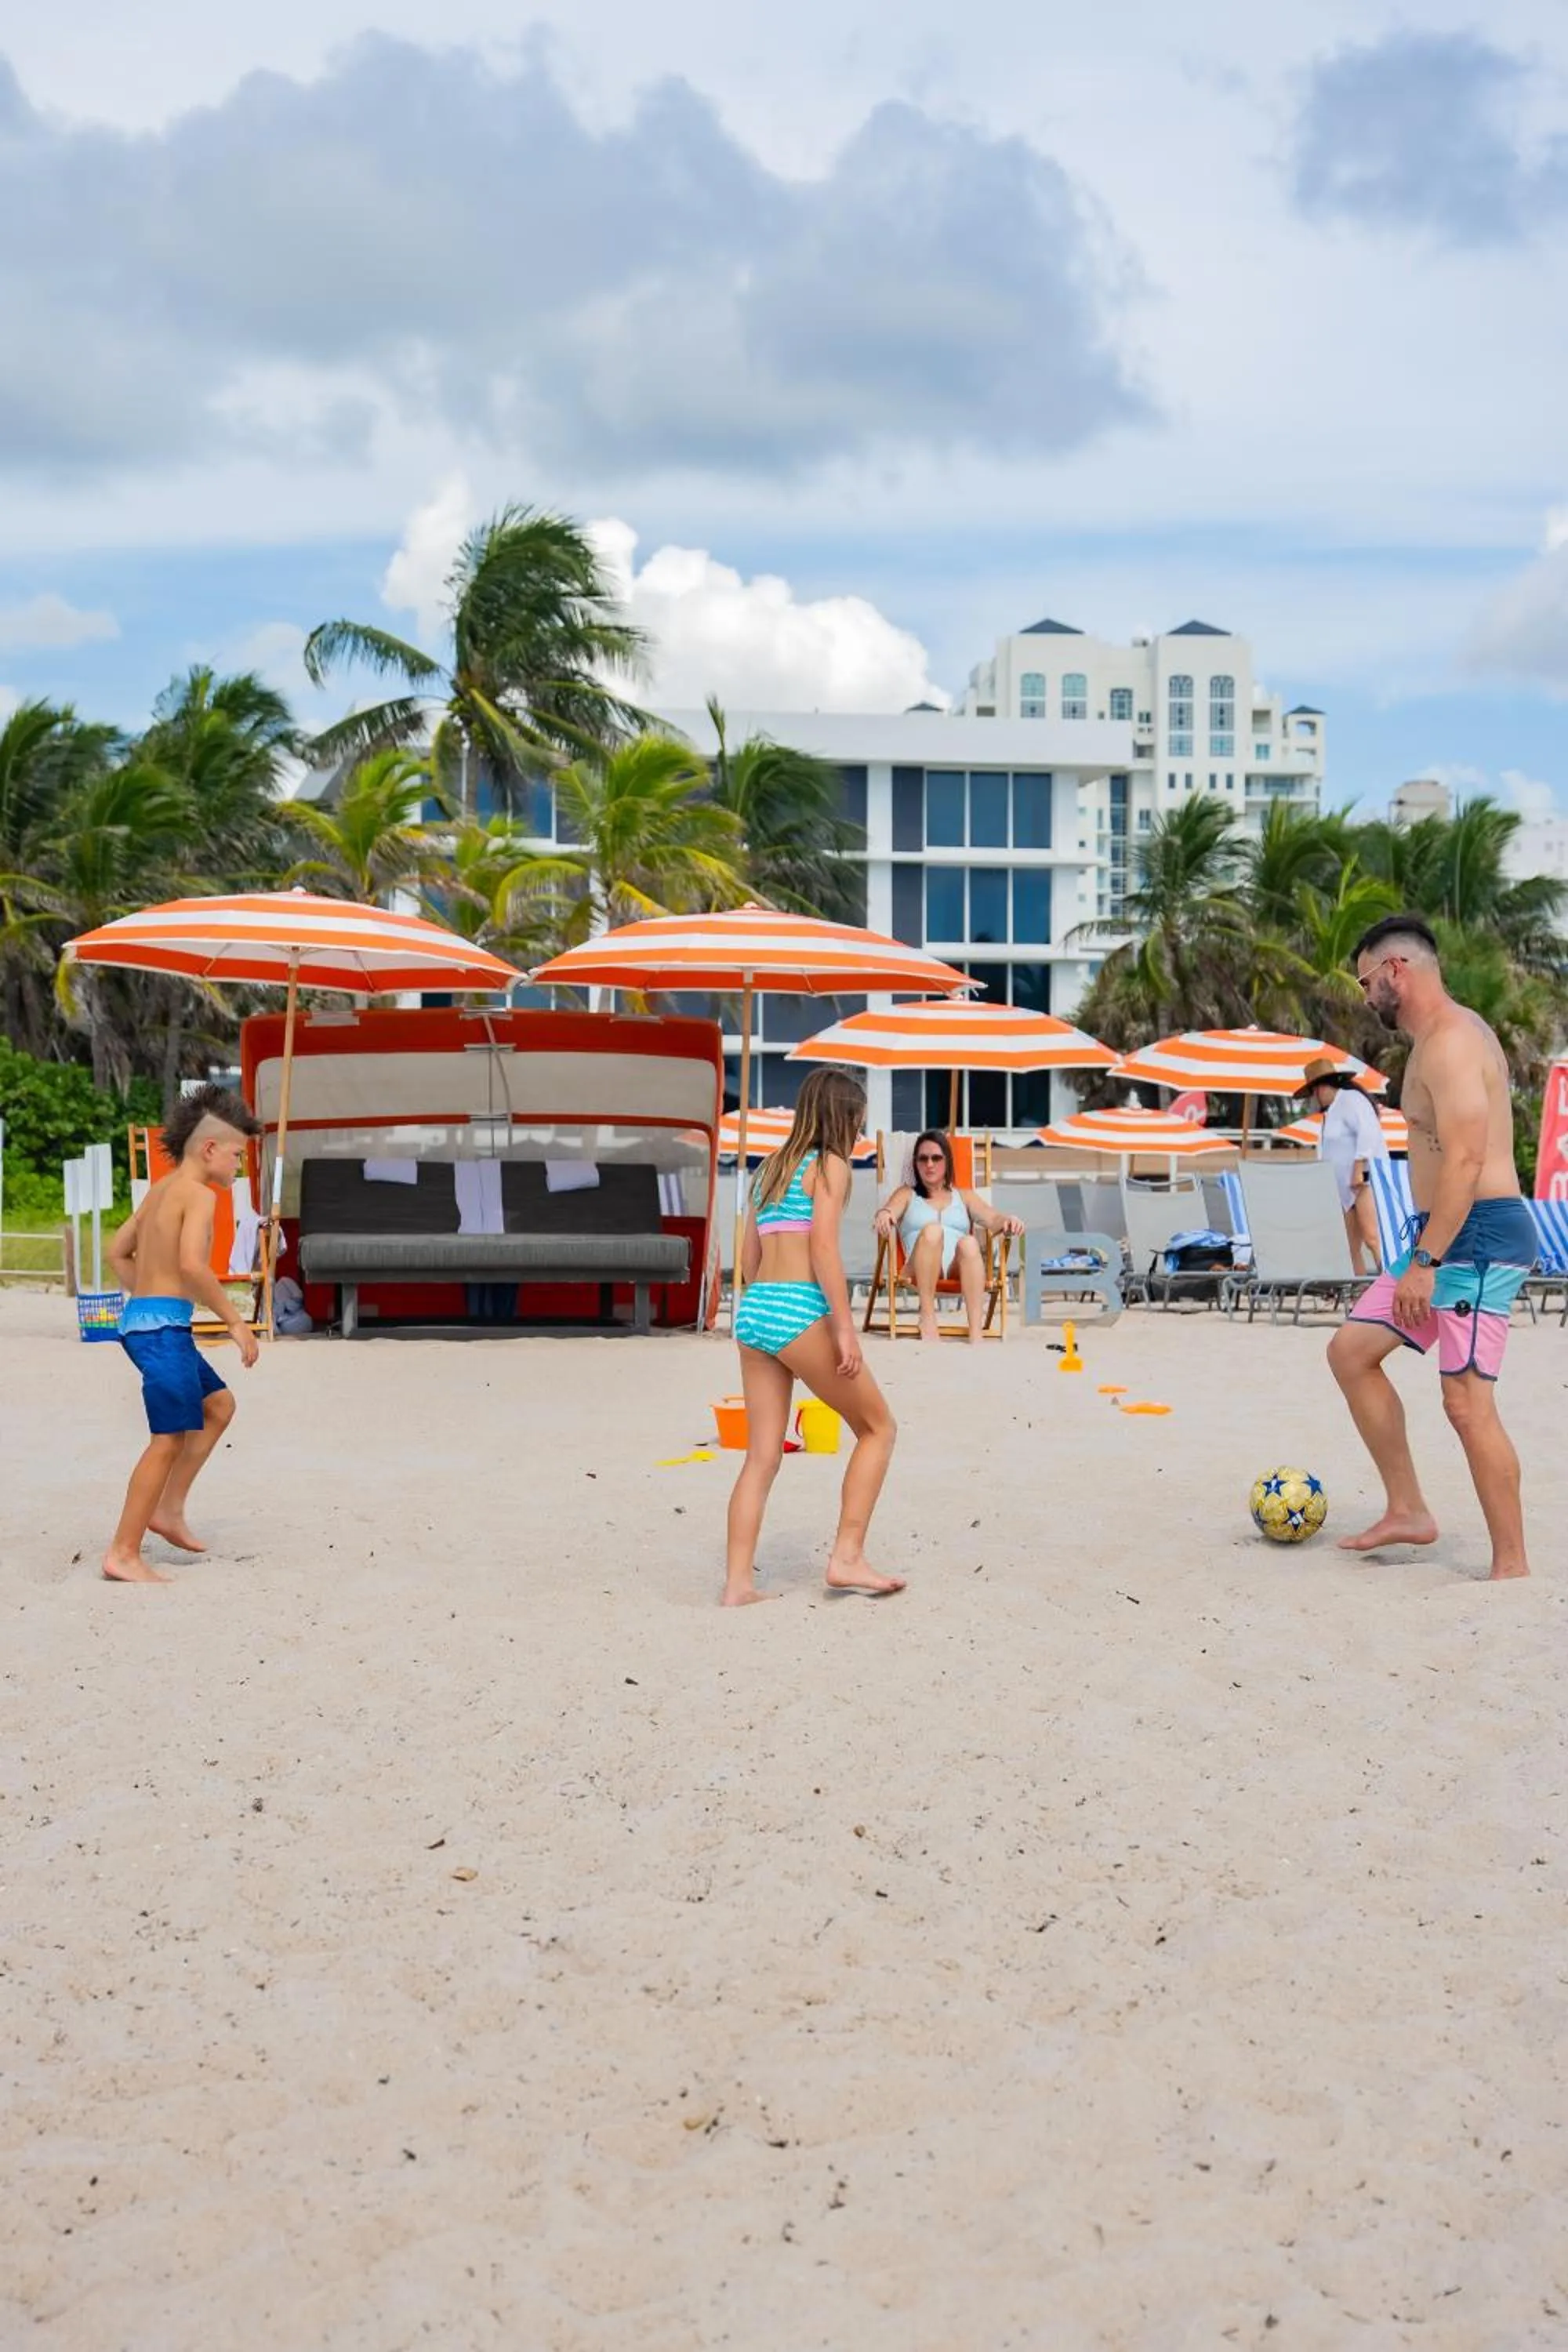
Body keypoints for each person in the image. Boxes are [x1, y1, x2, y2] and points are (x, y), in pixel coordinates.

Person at [1327, 916, 1535, 1581]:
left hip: (1474, 1238)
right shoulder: (1434, 1042)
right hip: (1442, 1236)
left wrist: (1426, 1261)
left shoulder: (1449, 1042)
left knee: (1467, 1403)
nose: (1364, 997)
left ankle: (1512, 1568)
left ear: (1396, 972)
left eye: (1365, 982)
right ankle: (1408, 1508)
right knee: (1352, 1352)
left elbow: (1468, 1160)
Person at [724, 1065, 902, 1607]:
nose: (860, 1133)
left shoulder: (770, 1169)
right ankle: (847, 1556)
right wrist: (844, 1330)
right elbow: (824, 1249)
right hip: (800, 1310)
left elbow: (749, 1258)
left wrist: (772, 1309)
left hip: (755, 1312)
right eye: (859, 1122)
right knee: (878, 1427)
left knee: (761, 1457)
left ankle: (737, 1586)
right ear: (843, 1117)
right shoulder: (830, 1165)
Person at [102, 1084, 263, 1583]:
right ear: (209, 1148)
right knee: (167, 1439)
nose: (238, 1165)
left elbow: (117, 1252)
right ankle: (123, 1552)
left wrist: (149, 1296)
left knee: (219, 1405)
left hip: (149, 1324)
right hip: (163, 1332)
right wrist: (236, 1322)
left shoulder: (159, 1191)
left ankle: (168, 1510)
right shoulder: (196, 1195)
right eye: (237, 1153)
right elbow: (194, 1266)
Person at [872, 1129, 1024, 1341]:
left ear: (947, 1161)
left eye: (936, 1158)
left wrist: (1009, 1220)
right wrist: (884, 1214)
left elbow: (993, 1219)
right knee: (933, 1231)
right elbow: (890, 1210)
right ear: (915, 1164)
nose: (930, 1164)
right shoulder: (907, 1194)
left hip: (954, 1269)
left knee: (970, 1243)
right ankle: (927, 1315)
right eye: (923, 1159)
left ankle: (975, 1331)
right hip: (916, 1267)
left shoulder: (964, 1196)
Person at [1294, 1054, 1389, 1273]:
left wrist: (1358, 1169)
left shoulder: (1351, 1100)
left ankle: (1387, 1286)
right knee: (1350, 1246)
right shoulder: (1331, 1114)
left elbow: (1368, 1133)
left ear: (1321, 1088)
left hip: (1362, 1181)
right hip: (1344, 1190)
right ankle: (1360, 1291)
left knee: (1372, 1237)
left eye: (1315, 1092)